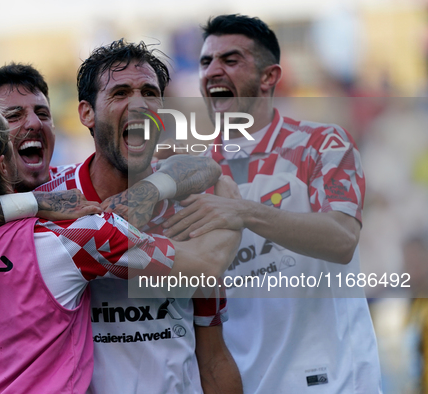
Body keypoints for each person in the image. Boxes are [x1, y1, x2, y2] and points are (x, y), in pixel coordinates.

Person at [0, 48, 244, 393]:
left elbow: (213, 356)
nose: (138, 105)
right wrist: (238, 214)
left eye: (150, 94)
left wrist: (152, 190)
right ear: (86, 113)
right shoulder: (66, 224)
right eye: (13, 116)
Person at [160, 14, 382, 393]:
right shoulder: (191, 171)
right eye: (205, 62)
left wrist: (243, 212)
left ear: (269, 76)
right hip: (243, 382)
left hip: (336, 380)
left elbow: (342, 240)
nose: (212, 71)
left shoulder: (323, 145)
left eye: (230, 60)